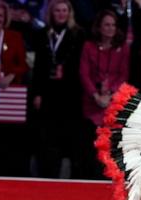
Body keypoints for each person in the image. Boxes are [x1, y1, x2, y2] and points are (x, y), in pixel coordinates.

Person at [30, 0, 85, 178]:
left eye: (64, 10)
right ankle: (48, 174)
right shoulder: (42, 34)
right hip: (48, 91)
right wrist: (37, 93)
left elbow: (81, 65)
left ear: (69, 13)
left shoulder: (79, 34)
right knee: (47, 135)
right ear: (51, 13)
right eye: (57, 11)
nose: (61, 14)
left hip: (70, 92)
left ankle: (69, 176)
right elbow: (38, 66)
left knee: (68, 135)